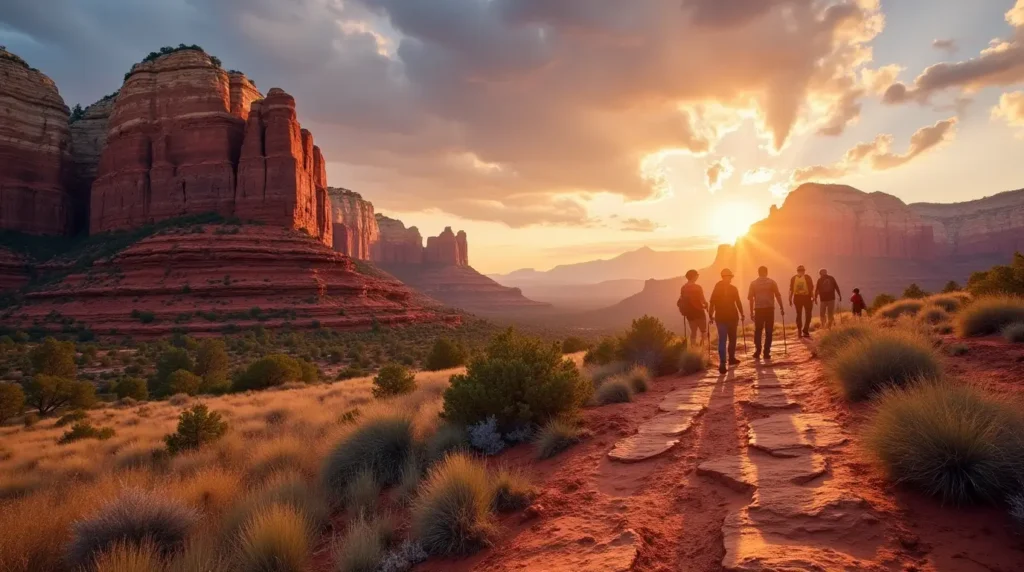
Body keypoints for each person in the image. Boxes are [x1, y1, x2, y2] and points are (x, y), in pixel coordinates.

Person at [708, 268, 745, 374]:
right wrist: (741, 313)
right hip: (732, 317)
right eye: (729, 277)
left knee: (723, 340)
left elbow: (712, 303)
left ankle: (724, 363)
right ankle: (729, 360)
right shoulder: (733, 288)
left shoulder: (717, 288)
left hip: (721, 318)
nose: (730, 279)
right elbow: (738, 302)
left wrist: (711, 315)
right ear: (726, 277)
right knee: (731, 339)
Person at [748, 266, 785, 360]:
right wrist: (781, 307)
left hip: (759, 309)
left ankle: (758, 350)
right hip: (769, 309)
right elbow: (778, 295)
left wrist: (751, 311)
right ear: (766, 272)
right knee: (769, 331)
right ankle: (766, 352)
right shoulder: (772, 282)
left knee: (758, 330)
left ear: (758, 272)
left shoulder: (753, 283)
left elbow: (751, 299)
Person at [677, 269, 708, 345]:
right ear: (694, 276)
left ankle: (693, 348)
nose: (697, 277)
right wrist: (706, 305)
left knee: (693, 332)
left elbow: (681, 299)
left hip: (689, 314)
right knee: (703, 331)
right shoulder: (697, 287)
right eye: (697, 275)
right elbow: (702, 299)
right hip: (699, 312)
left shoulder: (683, 288)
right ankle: (702, 347)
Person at [789, 265, 815, 338]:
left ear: (797, 271)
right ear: (804, 271)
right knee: (808, 314)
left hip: (797, 298)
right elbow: (811, 289)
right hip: (806, 298)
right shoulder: (807, 277)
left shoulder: (793, 278)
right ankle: (805, 330)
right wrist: (813, 297)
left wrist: (790, 299)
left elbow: (791, 290)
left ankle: (799, 331)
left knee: (798, 314)